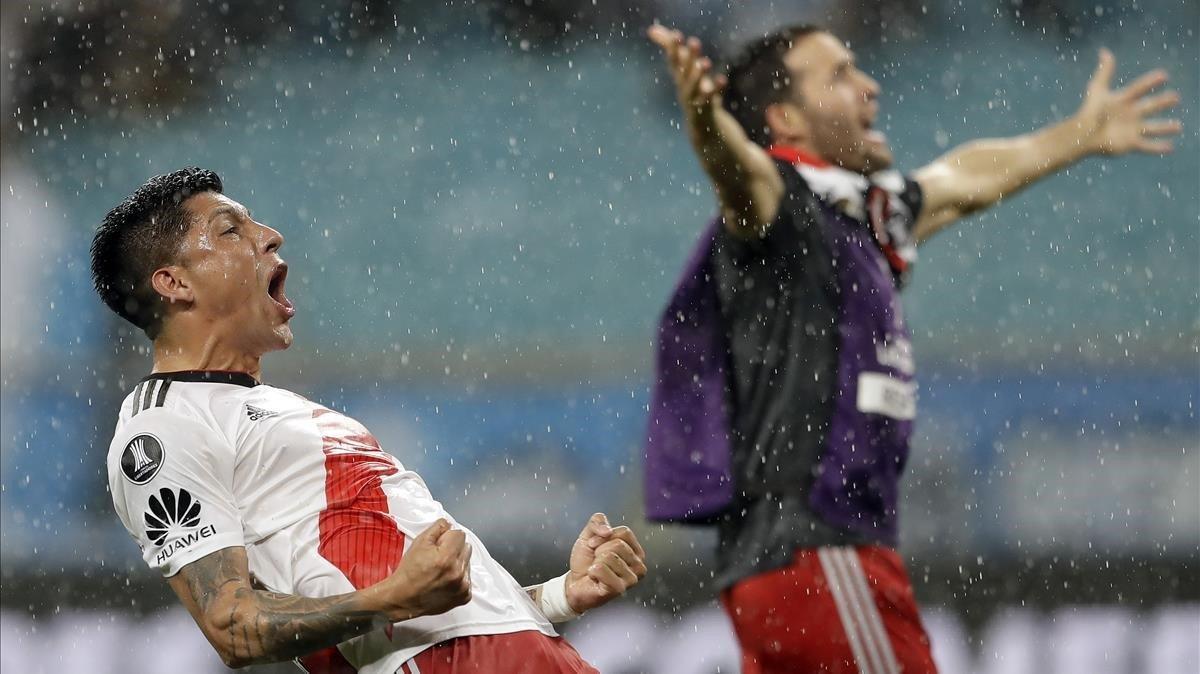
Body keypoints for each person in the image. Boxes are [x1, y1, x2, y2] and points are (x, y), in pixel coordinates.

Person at [642, 23, 1180, 674]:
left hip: (784, 569)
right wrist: (705, 120)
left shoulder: (860, 215)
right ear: (785, 118)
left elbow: (963, 178)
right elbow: (737, 173)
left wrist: (1078, 135)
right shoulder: (785, 209)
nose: (869, 86)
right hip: (820, 553)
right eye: (839, 75)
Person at [91, 167, 648, 673]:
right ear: (175, 283)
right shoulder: (159, 431)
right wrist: (396, 598)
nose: (270, 235)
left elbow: (430, 599)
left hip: (522, 650)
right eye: (231, 230)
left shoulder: (279, 408)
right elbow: (234, 628)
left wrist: (559, 595)